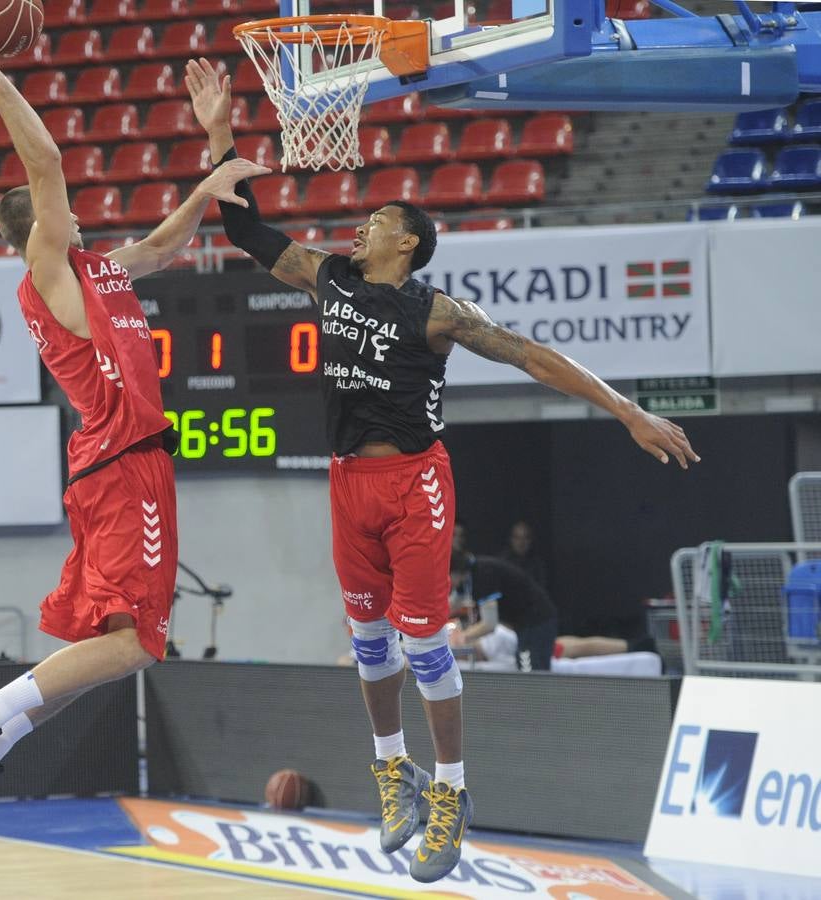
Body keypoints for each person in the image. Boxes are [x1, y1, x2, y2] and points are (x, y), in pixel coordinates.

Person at [187, 58, 700, 883]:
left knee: (424, 640)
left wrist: (629, 412)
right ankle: (395, 774)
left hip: (416, 484)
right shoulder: (331, 278)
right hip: (348, 482)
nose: (361, 225)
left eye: (379, 219)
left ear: (410, 242)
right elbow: (246, 231)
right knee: (366, 646)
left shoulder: (438, 313)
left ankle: (453, 794)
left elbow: (535, 356)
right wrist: (218, 134)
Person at [0, 2, 269, 860]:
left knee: (105, 644)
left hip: (111, 465)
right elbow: (43, 160)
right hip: (124, 466)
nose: (75, 213)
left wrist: (206, 174)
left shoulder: (98, 271)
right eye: (60, 212)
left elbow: (161, 246)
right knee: (135, 647)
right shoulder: (50, 264)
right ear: (41, 228)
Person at [449, 551, 558, 672]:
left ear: (456, 572)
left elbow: (489, 624)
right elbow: (450, 606)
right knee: (525, 666)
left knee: (531, 670)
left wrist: (463, 636)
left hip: (537, 621)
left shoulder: (483, 575)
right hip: (525, 623)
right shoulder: (466, 579)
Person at [498, 520, 548, 590]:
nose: (521, 543)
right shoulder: (501, 564)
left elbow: (541, 593)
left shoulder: (538, 565)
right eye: (517, 537)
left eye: (526, 538)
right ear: (510, 539)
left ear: (531, 540)